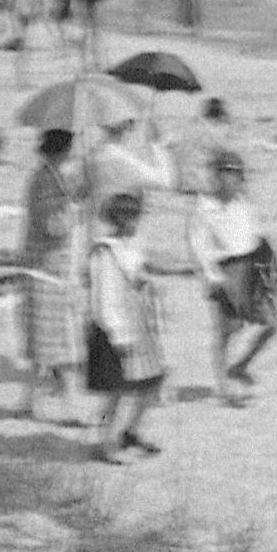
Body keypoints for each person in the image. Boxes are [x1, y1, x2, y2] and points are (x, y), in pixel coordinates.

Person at [82, 178, 167, 460]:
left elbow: (139, 275)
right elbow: (103, 299)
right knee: (116, 391)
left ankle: (130, 432)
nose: (135, 222)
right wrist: (117, 335)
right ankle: (104, 443)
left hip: (137, 324)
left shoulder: (130, 246)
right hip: (114, 329)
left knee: (151, 382)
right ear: (120, 219)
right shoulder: (104, 252)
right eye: (131, 217)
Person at [188, 151, 277, 404]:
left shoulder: (244, 204)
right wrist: (213, 277)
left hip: (251, 268)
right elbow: (199, 248)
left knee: (272, 324)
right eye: (225, 174)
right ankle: (223, 387)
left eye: (235, 175)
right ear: (216, 177)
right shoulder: (204, 208)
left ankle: (241, 366)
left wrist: (268, 267)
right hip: (225, 270)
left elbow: (257, 235)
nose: (230, 180)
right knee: (226, 331)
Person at [14, 124, 87, 423]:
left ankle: (27, 402)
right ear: (64, 151)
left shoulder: (47, 177)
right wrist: (74, 206)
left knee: (44, 344)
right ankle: (70, 409)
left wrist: (72, 197)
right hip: (47, 270)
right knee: (60, 345)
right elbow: (53, 227)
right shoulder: (46, 181)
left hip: (46, 268)